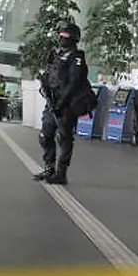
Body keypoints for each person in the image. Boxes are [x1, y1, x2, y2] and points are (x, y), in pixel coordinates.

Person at [32, 20, 93, 185]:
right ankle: (49, 168)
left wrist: (62, 103)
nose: (62, 37)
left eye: (65, 34)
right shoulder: (57, 56)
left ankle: (61, 173)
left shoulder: (76, 57)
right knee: (45, 135)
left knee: (63, 137)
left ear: (73, 38)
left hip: (67, 104)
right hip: (52, 101)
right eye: (61, 34)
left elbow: (74, 82)